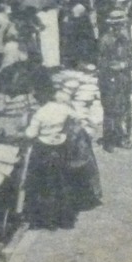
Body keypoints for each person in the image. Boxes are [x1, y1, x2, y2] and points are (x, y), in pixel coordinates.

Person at [19, 77, 79, 230]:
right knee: (61, 182)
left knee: (40, 184)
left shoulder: (40, 113)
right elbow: (77, 117)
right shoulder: (62, 109)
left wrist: (24, 130)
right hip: (60, 147)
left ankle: (42, 220)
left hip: (43, 149)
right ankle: (63, 218)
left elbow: (31, 134)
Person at [96, 6, 132, 149]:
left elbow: (131, 57)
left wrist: (125, 65)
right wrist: (113, 67)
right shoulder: (105, 40)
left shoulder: (125, 40)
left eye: (121, 24)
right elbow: (101, 62)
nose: (120, 28)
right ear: (111, 26)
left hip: (123, 77)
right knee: (109, 108)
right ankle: (109, 139)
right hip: (109, 78)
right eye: (117, 25)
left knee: (124, 107)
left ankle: (123, 137)